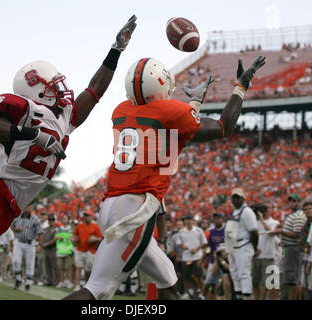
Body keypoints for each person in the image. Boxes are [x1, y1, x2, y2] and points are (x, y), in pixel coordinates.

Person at [0, 15, 138, 285]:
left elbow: (95, 89)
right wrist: (34, 134)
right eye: (52, 83)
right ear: (37, 89)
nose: (60, 87)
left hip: (11, 209)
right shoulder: (24, 109)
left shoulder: (67, 117)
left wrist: (116, 49)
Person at [64, 55, 266, 300]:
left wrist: (194, 103)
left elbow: (172, 135)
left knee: (168, 281)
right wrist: (240, 87)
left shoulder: (122, 110)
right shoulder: (171, 111)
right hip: (134, 211)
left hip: (112, 205)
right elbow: (223, 127)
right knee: (97, 289)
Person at [225, 188, 259, 300]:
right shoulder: (235, 211)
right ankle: (239, 295)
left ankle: (246, 296)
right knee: (235, 274)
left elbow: (254, 232)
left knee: (244, 273)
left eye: (237, 197)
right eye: (233, 197)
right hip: (233, 246)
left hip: (243, 245)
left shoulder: (247, 211)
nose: (235, 200)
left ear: (243, 198)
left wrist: (255, 248)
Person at [272, 193, 306, 300]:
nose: (291, 203)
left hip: (294, 248)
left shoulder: (299, 215)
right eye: (290, 201)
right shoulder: (292, 214)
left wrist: (281, 231)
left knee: (293, 279)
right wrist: (283, 227)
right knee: (294, 278)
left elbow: (297, 234)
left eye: (294, 201)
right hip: (290, 247)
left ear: (298, 202)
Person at [11, 205, 43, 291]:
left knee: (30, 263)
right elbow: (11, 227)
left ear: (32, 208)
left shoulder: (35, 219)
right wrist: (15, 229)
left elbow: (40, 232)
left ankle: (28, 282)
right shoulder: (17, 216)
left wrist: (39, 244)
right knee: (15, 261)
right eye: (25, 207)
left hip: (30, 243)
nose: (26, 209)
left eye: (29, 207)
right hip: (19, 241)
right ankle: (18, 278)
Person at [251, 203, 280, 300]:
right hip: (256, 256)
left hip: (268, 256)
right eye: (264, 208)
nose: (265, 210)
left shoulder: (274, 222)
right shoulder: (254, 222)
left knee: (267, 284)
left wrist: (262, 220)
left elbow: (271, 233)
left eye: (267, 208)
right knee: (255, 283)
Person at [177, 215, 208, 300]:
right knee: (186, 276)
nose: (188, 221)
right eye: (186, 220)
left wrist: (196, 248)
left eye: (189, 219)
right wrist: (184, 247)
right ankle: (187, 293)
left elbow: (204, 243)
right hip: (186, 257)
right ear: (185, 221)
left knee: (198, 275)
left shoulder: (198, 230)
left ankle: (202, 292)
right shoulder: (181, 232)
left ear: (192, 221)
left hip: (197, 257)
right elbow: (179, 243)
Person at [71, 210, 103, 291]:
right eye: (85, 215)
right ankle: (77, 285)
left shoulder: (95, 226)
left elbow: (100, 238)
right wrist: (73, 239)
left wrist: (94, 239)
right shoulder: (80, 226)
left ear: (92, 217)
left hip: (90, 250)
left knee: (88, 269)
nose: (86, 217)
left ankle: (86, 284)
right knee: (78, 267)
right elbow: (74, 235)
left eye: (88, 215)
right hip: (80, 249)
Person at [203, 212, 225, 300]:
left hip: (225, 259)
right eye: (215, 218)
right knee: (209, 280)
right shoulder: (211, 232)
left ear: (222, 219)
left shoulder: (226, 230)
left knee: (225, 279)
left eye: (219, 218)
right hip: (213, 260)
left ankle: (223, 296)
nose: (217, 220)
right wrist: (207, 257)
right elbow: (210, 247)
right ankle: (202, 296)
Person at [300, 198, 312, 299]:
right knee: (308, 284)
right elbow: (303, 244)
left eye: (310, 208)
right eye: (305, 209)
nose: (308, 211)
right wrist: (306, 249)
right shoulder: (304, 227)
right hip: (308, 257)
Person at [56, 214, 75, 289]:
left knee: (69, 268)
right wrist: (57, 237)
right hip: (60, 251)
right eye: (63, 219)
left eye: (66, 219)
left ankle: (69, 282)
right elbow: (55, 237)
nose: (64, 220)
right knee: (61, 268)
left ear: (68, 220)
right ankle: (61, 282)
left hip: (68, 251)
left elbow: (73, 238)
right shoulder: (58, 229)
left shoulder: (71, 229)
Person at [41, 214, 59, 286]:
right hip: (46, 249)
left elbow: (55, 239)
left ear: (54, 221)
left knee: (54, 266)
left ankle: (55, 281)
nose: (51, 222)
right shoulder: (45, 229)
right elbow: (42, 238)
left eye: (52, 220)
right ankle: (49, 280)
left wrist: (46, 244)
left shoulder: (56, 229)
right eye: (50, 220)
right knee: (47, 266)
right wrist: (42, 243)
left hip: (52, 249)